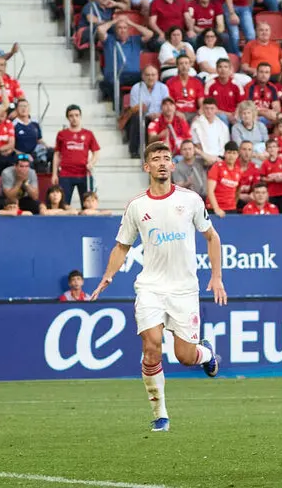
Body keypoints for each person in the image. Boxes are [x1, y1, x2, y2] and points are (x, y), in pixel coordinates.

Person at [88, 140, 226, 432]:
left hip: (185, 290)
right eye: (156, 158)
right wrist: (108, 275)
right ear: (146, 166)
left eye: (167, 158)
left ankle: (207, 354)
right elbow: (122, 245)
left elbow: (212, 237)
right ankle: (160, 414)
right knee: (151, 347)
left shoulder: (190, 200)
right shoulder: (137, 206)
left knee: (185, 356)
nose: (162, 162)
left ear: (173, 165)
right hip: (150, 287)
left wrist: (217, 276)